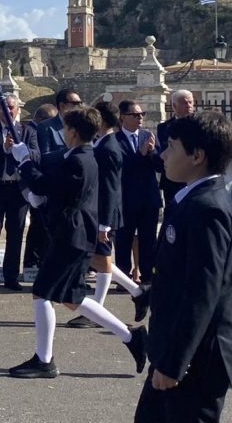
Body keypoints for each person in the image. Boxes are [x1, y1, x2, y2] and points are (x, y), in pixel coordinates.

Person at [9, 106, 147, 379]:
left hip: (71, 236)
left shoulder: (79, 160)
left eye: (65, 127)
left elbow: (44, 186)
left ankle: (44, 360)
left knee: (42, 293)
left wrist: (24, 161)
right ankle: (131, 337)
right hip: (73, 234)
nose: (62, 131)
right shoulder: (80, 156)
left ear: (72, 131)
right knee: (73, 298)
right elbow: (54, 188)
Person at [134, 111, 232, 423]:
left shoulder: (206, 208)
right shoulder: (190, 199)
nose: (164, 154)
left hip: (196, 358)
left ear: (197, 155)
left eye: (171, 146)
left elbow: (202, 292)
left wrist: (174, 363)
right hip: (173, 349)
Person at [67, 100, 151, 328]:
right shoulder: (102, 143)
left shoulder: (109, 147)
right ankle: (136, 292)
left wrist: (105, 223)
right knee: (100, 260)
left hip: (104, 213)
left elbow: (111, 187)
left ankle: (99, 308)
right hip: (98, 212)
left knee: (101, 260)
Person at [0, 94, 38, 291]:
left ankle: (11, 277)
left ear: (17, 109)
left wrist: (21, 151)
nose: (8, 111)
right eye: (4, 108)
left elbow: (37, 154)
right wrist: (3, 149)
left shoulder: (28, 131)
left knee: (15, 234)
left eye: (12, 107)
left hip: (18, 190)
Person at [24, 91, 83, 271]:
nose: (79, 105)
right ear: (62, 105)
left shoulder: (80, 127)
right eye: (75, 102)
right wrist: (69, 151)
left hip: (73, 189)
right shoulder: (47, 127)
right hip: (54, 188)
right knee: (49, 235)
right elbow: (44, 157)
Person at [115, 100, 162, 288]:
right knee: (123, 240)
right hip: (126, 198)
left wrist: (150, 153)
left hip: (148, 198)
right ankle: (123, 278)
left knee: (148, 239)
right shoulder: (115, 140)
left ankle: (147, 276)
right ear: (123, 118)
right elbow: (120, 167)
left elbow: (160, 165)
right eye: (135, 115)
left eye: (142, 114)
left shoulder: (147, 136)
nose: (140, 118)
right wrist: (140, 155)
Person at [155, 89, 194, 207]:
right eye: (184, 103)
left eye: (190, 102)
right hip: (172, 181)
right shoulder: (164, 127)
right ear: (174, 106)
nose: (188, 106)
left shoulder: (200, 125)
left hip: (193, 177)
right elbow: (162, 151)